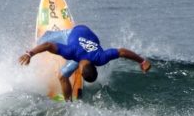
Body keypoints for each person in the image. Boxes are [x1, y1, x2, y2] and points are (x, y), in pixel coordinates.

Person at [18, 25, 151, 101]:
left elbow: (122, 51)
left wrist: (143, 61)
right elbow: (47, 45)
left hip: (88, 36)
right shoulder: (71, 51)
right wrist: (30, 53)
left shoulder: (101, 58)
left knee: (63, 76)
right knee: (42, 40)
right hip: (75, 31)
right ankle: (68, 101)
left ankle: (68, 102)